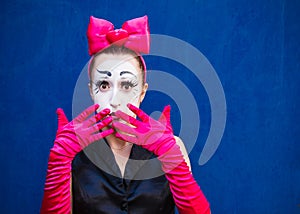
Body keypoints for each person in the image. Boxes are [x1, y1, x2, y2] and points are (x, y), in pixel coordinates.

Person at [41, 15, 211, 214]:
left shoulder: (172, 146)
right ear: (90, 91)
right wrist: (59, 160)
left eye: (127, 85)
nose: (115, 99)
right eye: (104, 85)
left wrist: (169, 155)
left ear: (142, 92)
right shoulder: (70, 152)